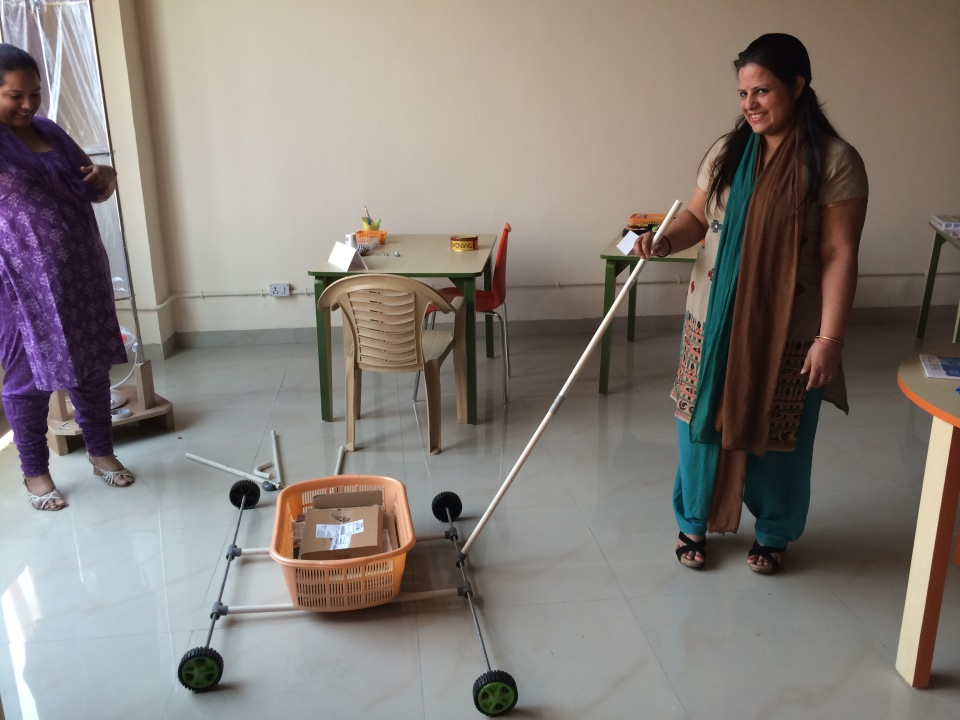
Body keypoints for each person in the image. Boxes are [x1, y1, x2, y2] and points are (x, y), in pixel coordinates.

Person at [633, 33, 868, 574]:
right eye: (743, 94)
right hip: (711, 319)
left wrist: (830, 340)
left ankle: (774, 532)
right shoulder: (727, 150)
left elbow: (838, 255)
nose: (750, 105)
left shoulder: (835, 161)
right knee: (698, 422)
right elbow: (696, 218)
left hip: (789, 329)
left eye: (762, 91)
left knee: (779, 433)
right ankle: (692, 520)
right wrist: (665, 239)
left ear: (797, 86)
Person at [0, 43, 134, 511]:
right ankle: (35, 472)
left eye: (34, 93)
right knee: (27, 376)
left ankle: (101, 453)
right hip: (20, 284)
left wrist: (105, 175)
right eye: (15, 95)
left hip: (79, 268)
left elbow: (92, 183)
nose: (28, 104)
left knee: (92, 363)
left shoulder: (48, 130)